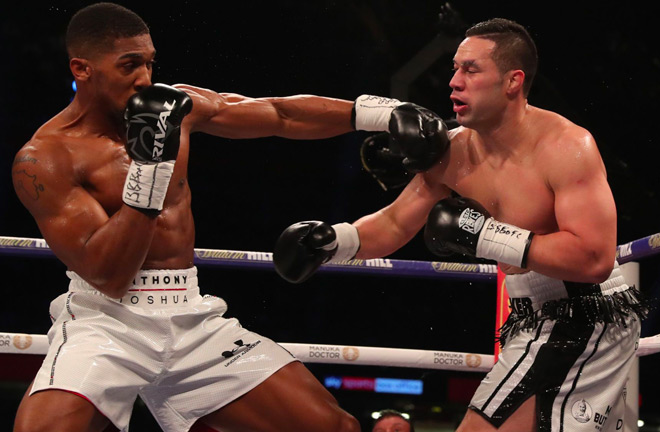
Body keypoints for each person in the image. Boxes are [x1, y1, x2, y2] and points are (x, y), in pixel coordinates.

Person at [10, 3, 446, 432]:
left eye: (148, 62)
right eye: (129, 66)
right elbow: (109, 273)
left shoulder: (175, 109)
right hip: (108, 321)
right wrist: (150, 174)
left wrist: (378, 113)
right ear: (82, 69)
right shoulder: (45, 158)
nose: (144, 78)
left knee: (335, 426)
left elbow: (279, 114)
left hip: (189, 314)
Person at [274, 18, 648, 432]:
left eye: (470, 69)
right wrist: (334, 240)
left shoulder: (565, 146)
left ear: (512, 81)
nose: (453, 81)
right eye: (455, 68)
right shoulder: (451, 152)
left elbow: (594, 258)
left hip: (587, 313)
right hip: (530, 316)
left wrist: (487, 236)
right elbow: (395, 223)